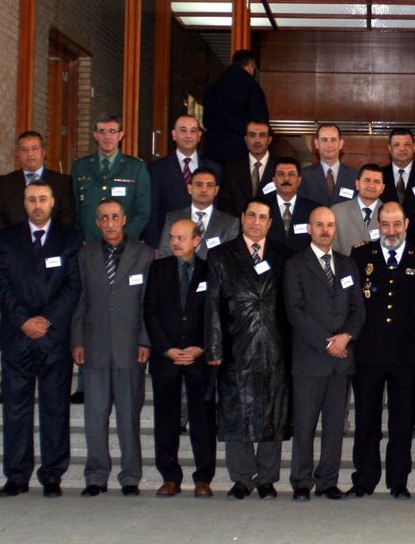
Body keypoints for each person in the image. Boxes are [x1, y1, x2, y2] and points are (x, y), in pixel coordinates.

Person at [0, 180, 83, 498]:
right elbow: (1, 283)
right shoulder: (6, 238)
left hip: (53, 338)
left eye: (43, 199)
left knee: (55, 408)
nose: (37, 205)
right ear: (24, 203)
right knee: (15, 410)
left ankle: (52, 475)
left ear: (52, 202)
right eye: (31, 199)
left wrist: (46, 320)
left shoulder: (70, 238)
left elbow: (73, 285)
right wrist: (23, 320)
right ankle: (17, 476)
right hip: (17, 337)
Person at [205, 198, 292, 500]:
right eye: (251, 215)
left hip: (275, 345)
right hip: (235, 344)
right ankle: (241, 478)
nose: (256, 222)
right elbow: (212, 304)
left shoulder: (284, 255)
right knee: (236, 411)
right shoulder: (220, 255)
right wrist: (214, 348)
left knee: (273, 411)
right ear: (242, 218)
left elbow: (290, 305)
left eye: (262, 217)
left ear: (270, 222)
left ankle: (267, 478)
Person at [72, 198, 155, 497]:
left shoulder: (144, 254)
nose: (109, 223)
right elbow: (80, 299)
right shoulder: (85, 254)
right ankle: (96, 476)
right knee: (95, 416)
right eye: (103, 218)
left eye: (114, 217)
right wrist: (77, 340)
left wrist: (145, 339)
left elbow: (149, 302)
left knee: (128, 417)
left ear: (124, 220)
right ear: (97, 223)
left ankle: (130, 476)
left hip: (131, 347)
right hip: (94, 346)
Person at [348, 202, 415, 498]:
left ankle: (398, 481)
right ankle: (364, 479)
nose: (391, 230)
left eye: (397, 224)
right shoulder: (361, 255)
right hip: (368, 352)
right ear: (378, 225)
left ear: (406, 224)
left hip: (406, 354)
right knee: (366, 419)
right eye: (385, 224)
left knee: (402, 420)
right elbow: (353, 302)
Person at [284, 207, 365, 501]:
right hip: (309, 359)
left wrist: (346, 337)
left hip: (341, 362)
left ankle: (328, 481)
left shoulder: (347, 265)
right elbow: (295, 312)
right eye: (319, 225)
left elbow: (358, 309)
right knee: (305, 426)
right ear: (309, 229)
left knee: (334, 426)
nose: (325, 230)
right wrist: (327, 343)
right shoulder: (295, 265)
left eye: (330, 225)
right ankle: (301, 482)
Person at [144, 218, 217, 498]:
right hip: (167, 357)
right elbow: (149, 312)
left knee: (203, 419)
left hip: (199, 357)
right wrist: (167, 348)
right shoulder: (158, 268)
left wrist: (202, 347)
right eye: (172, 237)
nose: (174, 242)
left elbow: (216, 312)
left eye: (181, 238)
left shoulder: (210, 270)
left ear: (196, 240)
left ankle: (204, 478)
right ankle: (170, 477)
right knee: (166, 418)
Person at [70, 114, 151, 244]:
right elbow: (75, 209)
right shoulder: (80, 167)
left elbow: (143, 211)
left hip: (124, 245)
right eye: (102, 131)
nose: (107, 136)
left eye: (112, 131)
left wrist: (123, 239)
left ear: (121, 135)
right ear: (95, 135)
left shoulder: (136, 168)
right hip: (89, 243)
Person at [144, 114, 223, 246]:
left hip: (206, 243)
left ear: (199, 136)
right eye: (183, 130)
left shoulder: (215, 168)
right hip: (171, 243)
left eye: (193, 131)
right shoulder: (157, 169)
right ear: (174, 135)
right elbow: (153, 211)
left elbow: (218, 208)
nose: (188, 135)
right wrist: (155, 246)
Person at [0, 130, 75, 232]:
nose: (30, 154)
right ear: (18, 154)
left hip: (52, 240)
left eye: (34, 149)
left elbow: (67, 217)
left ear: (43, 152)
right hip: (13, 239)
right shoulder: (5, 183)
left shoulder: (62, 182)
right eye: (24, 149)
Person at [157, 166, 240, 261]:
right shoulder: (173, 218)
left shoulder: (230, 223)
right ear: (189, 188)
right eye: (199, 185)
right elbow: (164, 254)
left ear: (216, 190)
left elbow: (230, 259)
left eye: (209, 185)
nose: (204, 189)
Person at [202, 50, 269, 164]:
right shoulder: (252, 87)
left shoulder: (214, 86)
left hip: (213, 150)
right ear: (251, 65)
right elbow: (260, 122)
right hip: (239, 151)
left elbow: (206, 120)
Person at [218, 119, 279, 215]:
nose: (257, 140)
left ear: (269, 140)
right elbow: (225, 204)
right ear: (246, 139)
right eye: (252, 135)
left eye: (262, 135)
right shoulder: (231, 169)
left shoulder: (280, 167)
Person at [379, 127, 415, 216]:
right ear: (389, 148)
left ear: (414, 147)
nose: (402, 149)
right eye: (396, 145)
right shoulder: (379, 175)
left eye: (407, 144)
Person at [264, 157, 320, 253]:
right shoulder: (263, 208)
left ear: (299, 180)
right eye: (281, 174)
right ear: (274, 180)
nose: (286, 178)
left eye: (291, 174)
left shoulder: (314, 210)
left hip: (303, 261)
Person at [298, 123, 359, 208]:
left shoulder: (355, 176)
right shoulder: (304, 175)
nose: (329, 145)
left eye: (333, 140)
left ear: (340, 144)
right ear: (316, 143)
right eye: (324, 140)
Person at [333, 164, 385, 256]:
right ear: (357, 184)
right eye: (367, 180)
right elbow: (332, 249)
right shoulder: (337, 212)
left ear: (382, 188)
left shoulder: (390, 214)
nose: (371, 185)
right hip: (345, 264)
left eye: (376, 182)